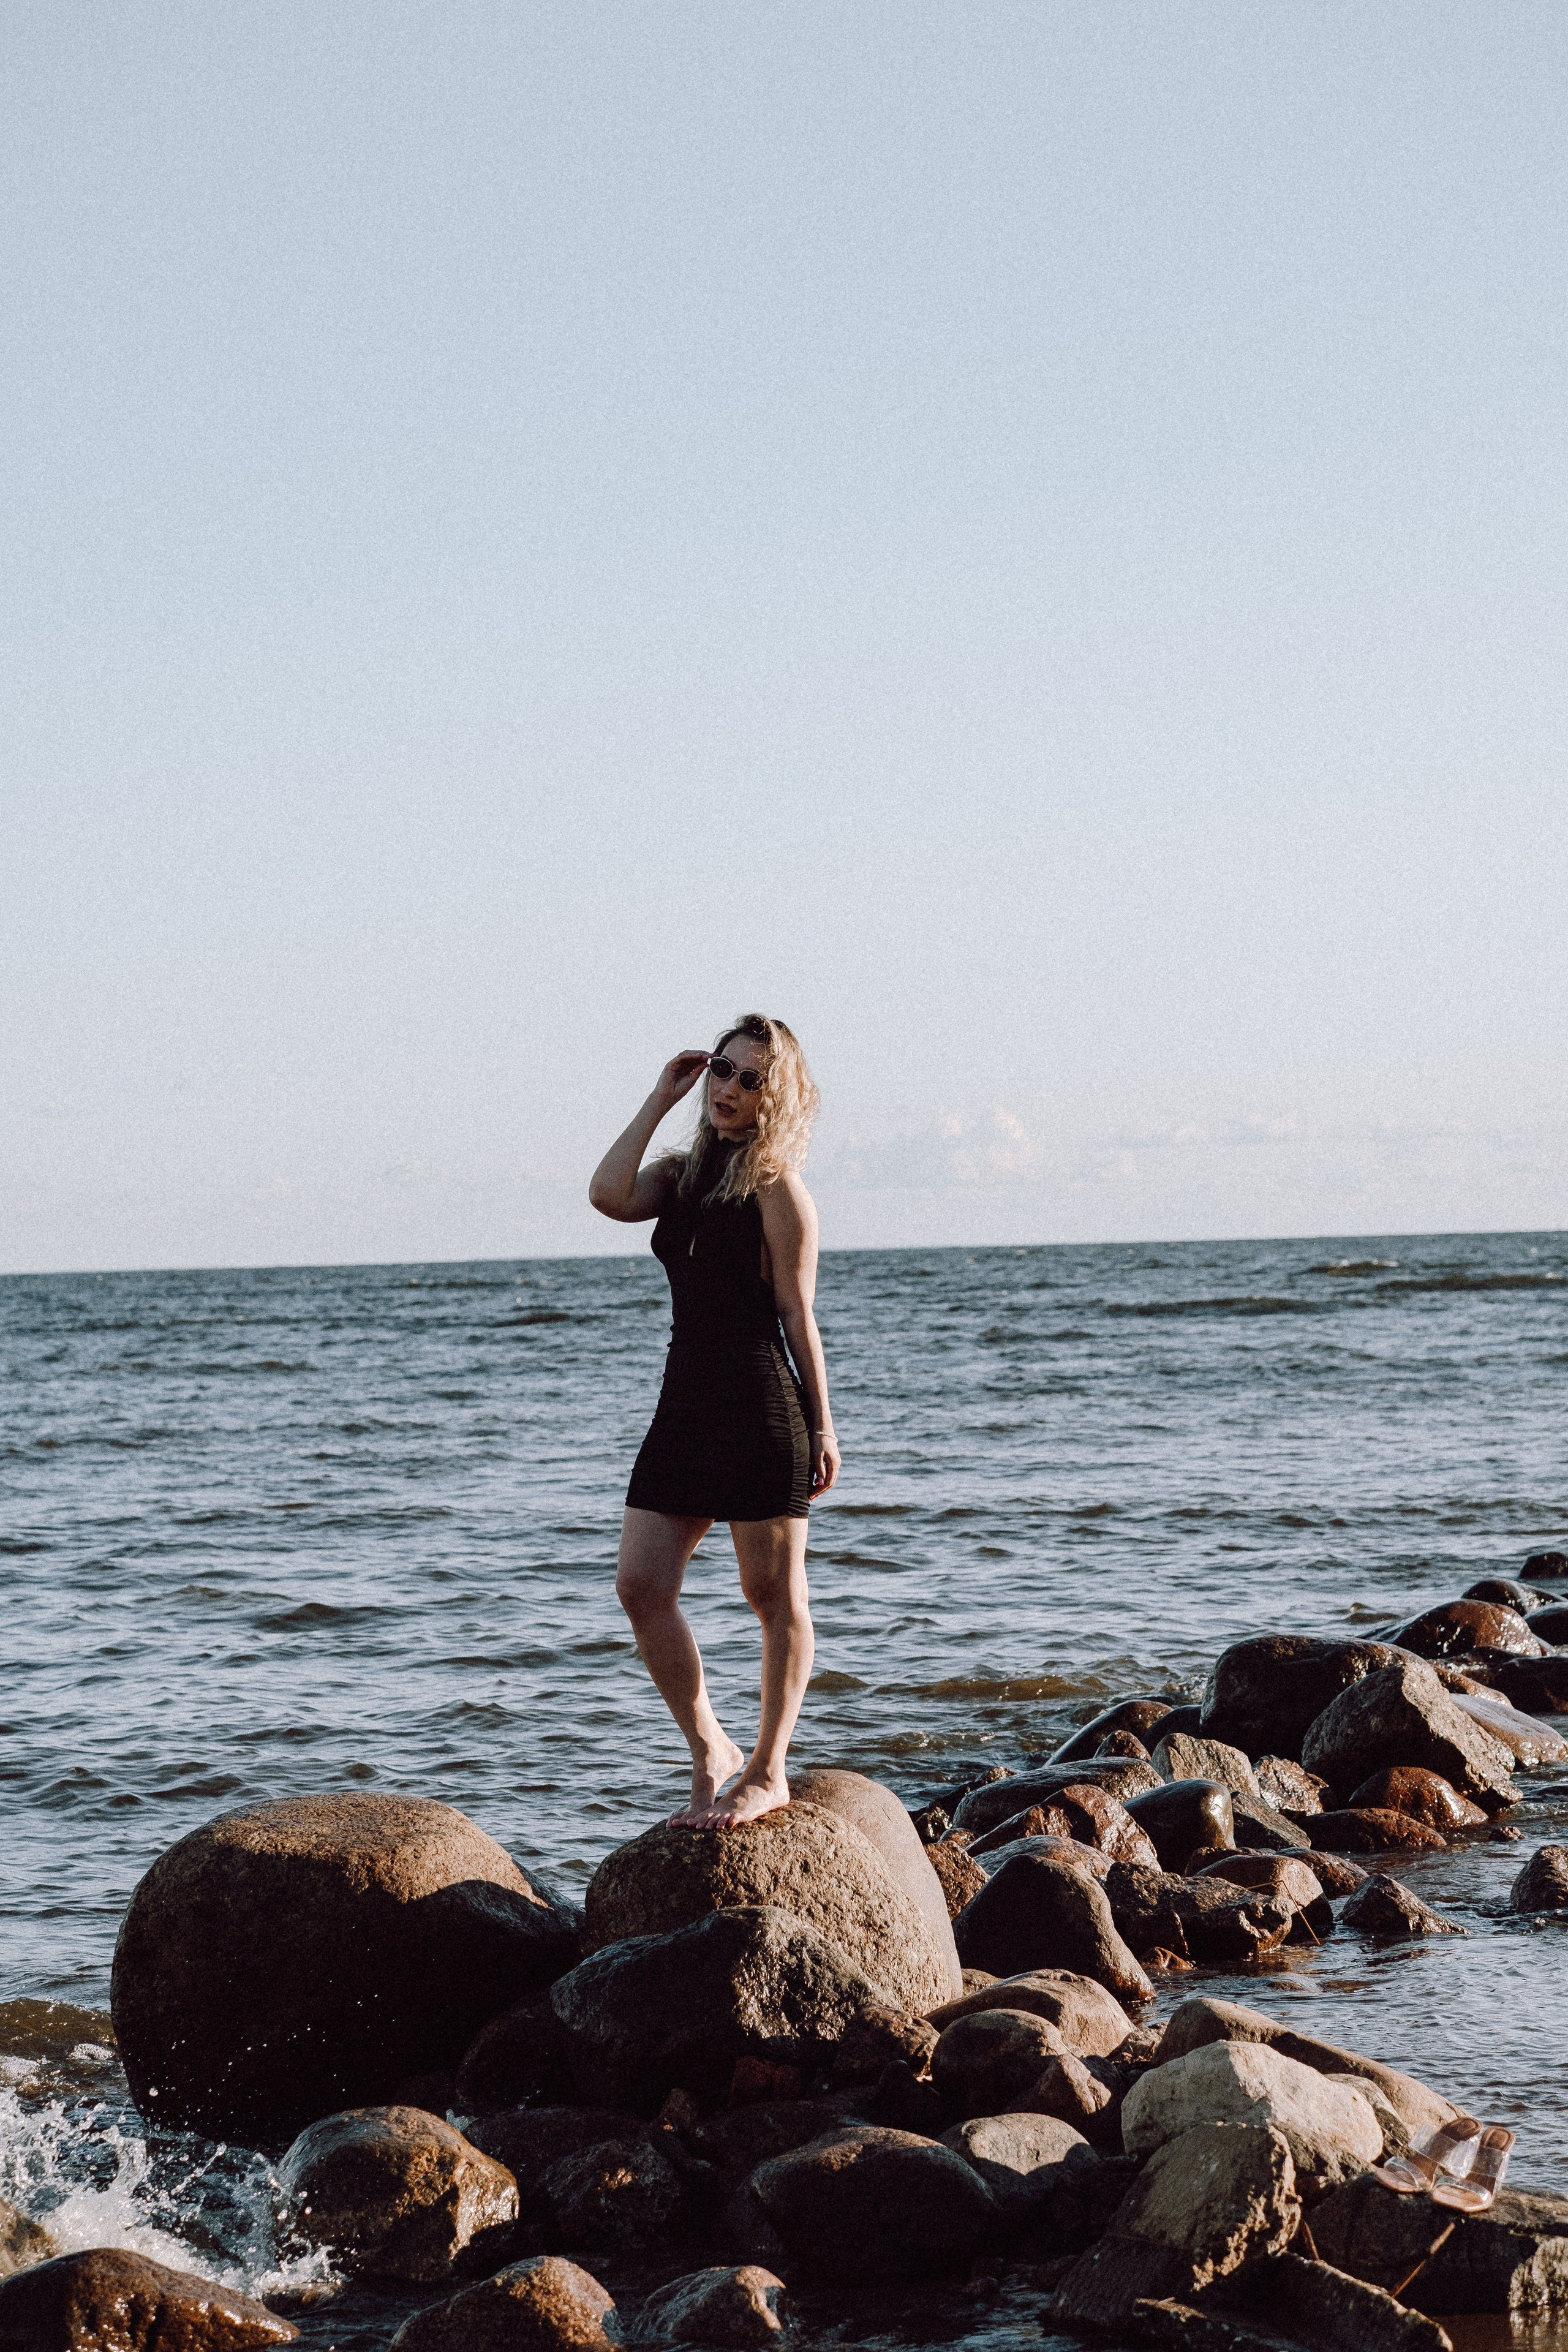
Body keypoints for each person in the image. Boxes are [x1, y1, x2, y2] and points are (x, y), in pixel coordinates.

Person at [589, 1014, 839, 1826]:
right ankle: (712, 1751)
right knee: (641, 1586)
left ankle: (770, 1769)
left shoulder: (778, 1189)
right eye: (723, 1072)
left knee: (772, 1595)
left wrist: (825, 1427)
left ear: (779, 1095)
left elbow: (799, 1318)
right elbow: (607, 1194)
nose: (729, 1089)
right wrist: (660, 1099)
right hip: (685, 1404)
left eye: (751, 1079)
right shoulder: (682, 1173)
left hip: (761, 1405)